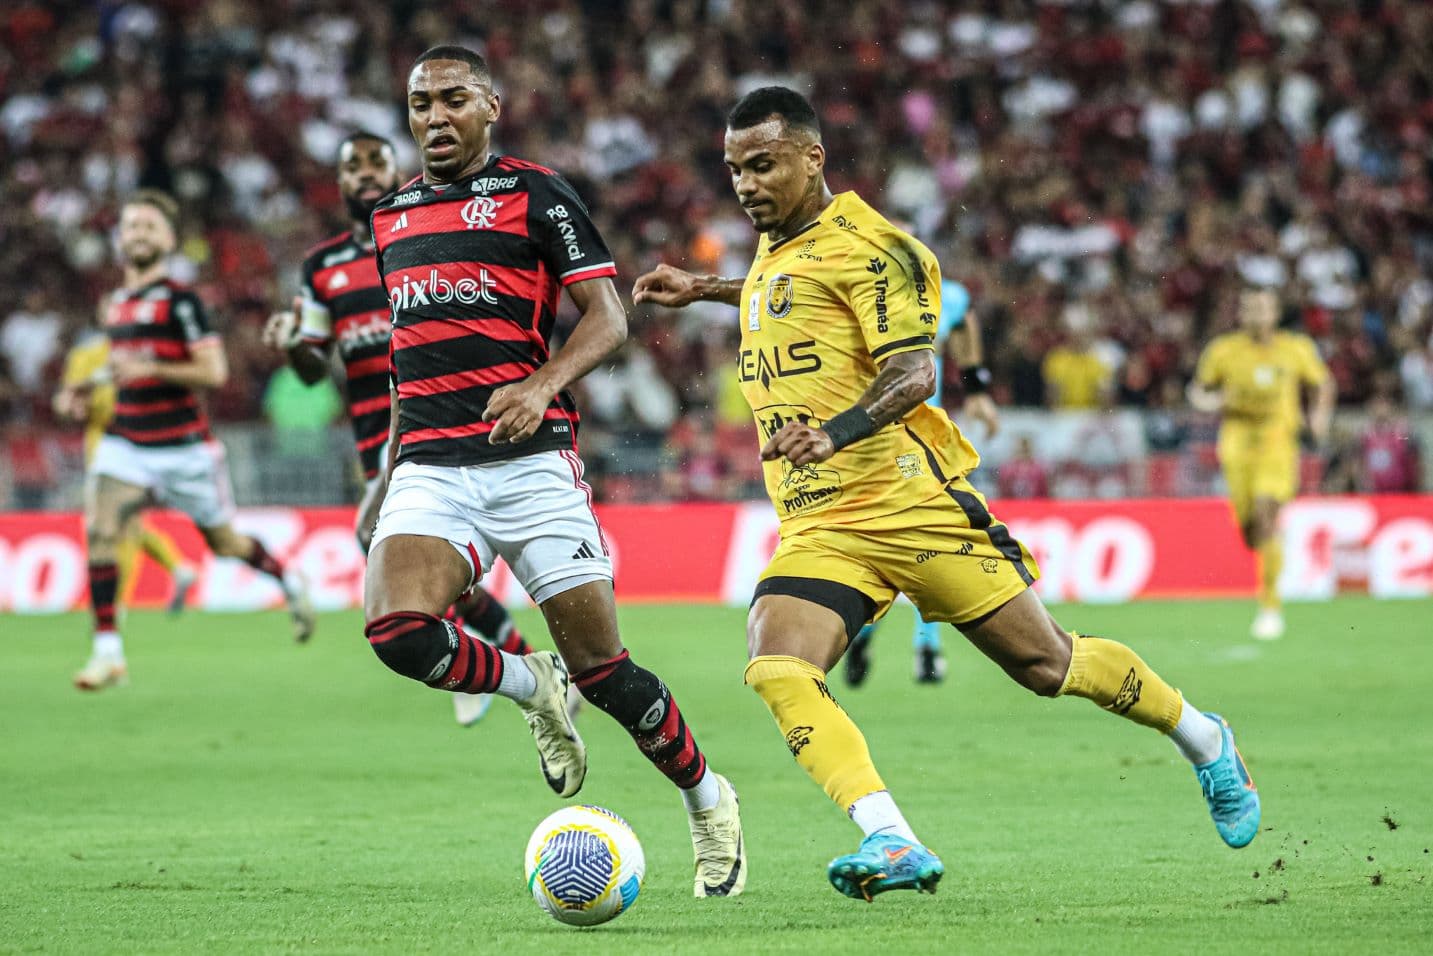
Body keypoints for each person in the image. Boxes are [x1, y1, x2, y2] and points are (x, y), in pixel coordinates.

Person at [634, 87, 1260, 902]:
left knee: (1048, 665)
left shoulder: (877, 249)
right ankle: (890, 837)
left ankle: (1203, 737)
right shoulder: (778, 244)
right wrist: (704, 288)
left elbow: (914, 372)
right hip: (822, 524)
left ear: (812, 159)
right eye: (734, 170)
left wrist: (833, 432)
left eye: (763, 166)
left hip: (911, 507)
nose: (746, 185)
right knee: (776, 663)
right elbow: (782, 293)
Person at [363, 46, 744, 896]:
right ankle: (528, 682)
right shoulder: (391, 217)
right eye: (421, 102)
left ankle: (707, 799)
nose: (435, 116)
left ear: (490, 106)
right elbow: (403, 359)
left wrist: (541, 385)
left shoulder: (536, 194)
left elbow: (607, 319)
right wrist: (387, 473)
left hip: (530, 464)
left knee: (605, 674)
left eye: (453, 98)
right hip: (431, 465)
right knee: (395, 632)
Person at [261, 131, 537, 728]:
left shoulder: (422, 235)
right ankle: (520, 657)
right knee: (420, 564)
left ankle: (482, 664)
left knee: (386, 546)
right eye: (352, 166)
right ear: (339, 183)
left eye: (376, 162)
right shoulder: (322, 268)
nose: (365, 173)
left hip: (435, 427)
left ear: (396, 171)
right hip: (373, 443)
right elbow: (313, 370)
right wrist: (293, 347)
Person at [77, 190, 314, 691]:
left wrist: (151, 367)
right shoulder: (115, 304)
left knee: (225, 544)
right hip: (127, 442)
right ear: (120, 238)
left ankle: (289, 580)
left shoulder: (182, 302)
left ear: (168, 239)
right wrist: (86, 390)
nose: (139, 234)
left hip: (184, 448)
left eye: (149, 226)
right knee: (99, 529)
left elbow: (213, 371)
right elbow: (124, 368)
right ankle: (107, 652)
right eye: (131, 226)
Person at [842, 274, 1000, 687]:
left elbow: (965, 318)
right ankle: (908, 643)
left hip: (910, 443)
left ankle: (901, 642)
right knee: (916, 543)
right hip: (887, 444)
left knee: (914, 542)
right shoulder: (869, 295)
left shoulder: (933, 292)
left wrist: (976, 388)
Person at [1189, 265, 1334, 640]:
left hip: (1277, 441)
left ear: (1275, 312)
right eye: (1250, 308)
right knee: (1252, 531)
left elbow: (1322, 384)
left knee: (1267, 510)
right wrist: (1210, 402)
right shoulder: (1224, 351)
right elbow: (1199, 391)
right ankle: (1266, 551)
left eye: (1263, 308)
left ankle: (1270, 606)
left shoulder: (1295, 349)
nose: (1256, 315)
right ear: (1241, 313)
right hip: (1237, 443)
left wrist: (1318, 418)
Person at [54, 317, 198, 615]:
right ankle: (176, 568)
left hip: (134, 447)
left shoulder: (143, 355)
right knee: (124, 524)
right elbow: (66, 399)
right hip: (108, 449)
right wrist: (71, 407)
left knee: (122, 525)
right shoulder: (87, 356)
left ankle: (117, 602)